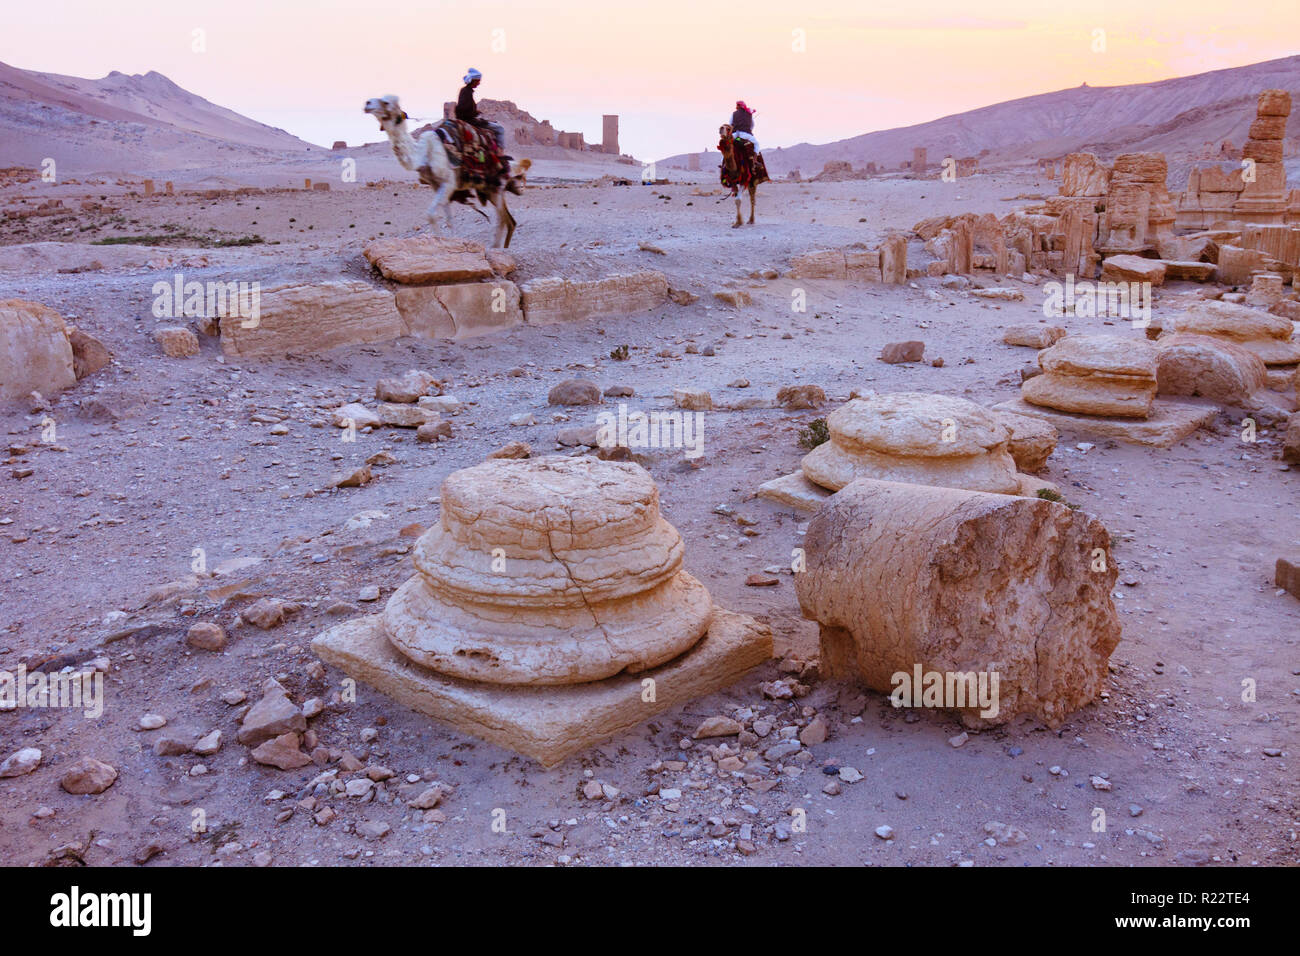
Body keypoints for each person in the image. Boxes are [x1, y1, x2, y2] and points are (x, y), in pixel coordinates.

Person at [456, 68, 507, 155]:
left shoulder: (465, 91)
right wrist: (475, 113)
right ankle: (500, 153)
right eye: (478, 81)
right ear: (473, 81)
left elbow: (464, 108)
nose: (479, 83)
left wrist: (475, 112)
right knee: (500, 129)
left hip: (468, 119)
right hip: (470, 121)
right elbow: (464, 109)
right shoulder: (467, 92)